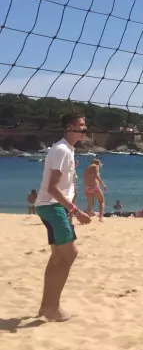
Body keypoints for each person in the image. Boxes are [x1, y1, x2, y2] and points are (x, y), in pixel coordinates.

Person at [34, 114, 92, 321]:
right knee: (70, 255)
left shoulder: (66, 149)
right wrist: (75, 210)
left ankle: (46, 307)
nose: (85, 129)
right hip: (52, 206)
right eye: (81, 125)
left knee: (58, 257)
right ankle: (53, 308)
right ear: (70, 127)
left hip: (51, 207)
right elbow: (52, 187)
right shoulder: (61, 150)